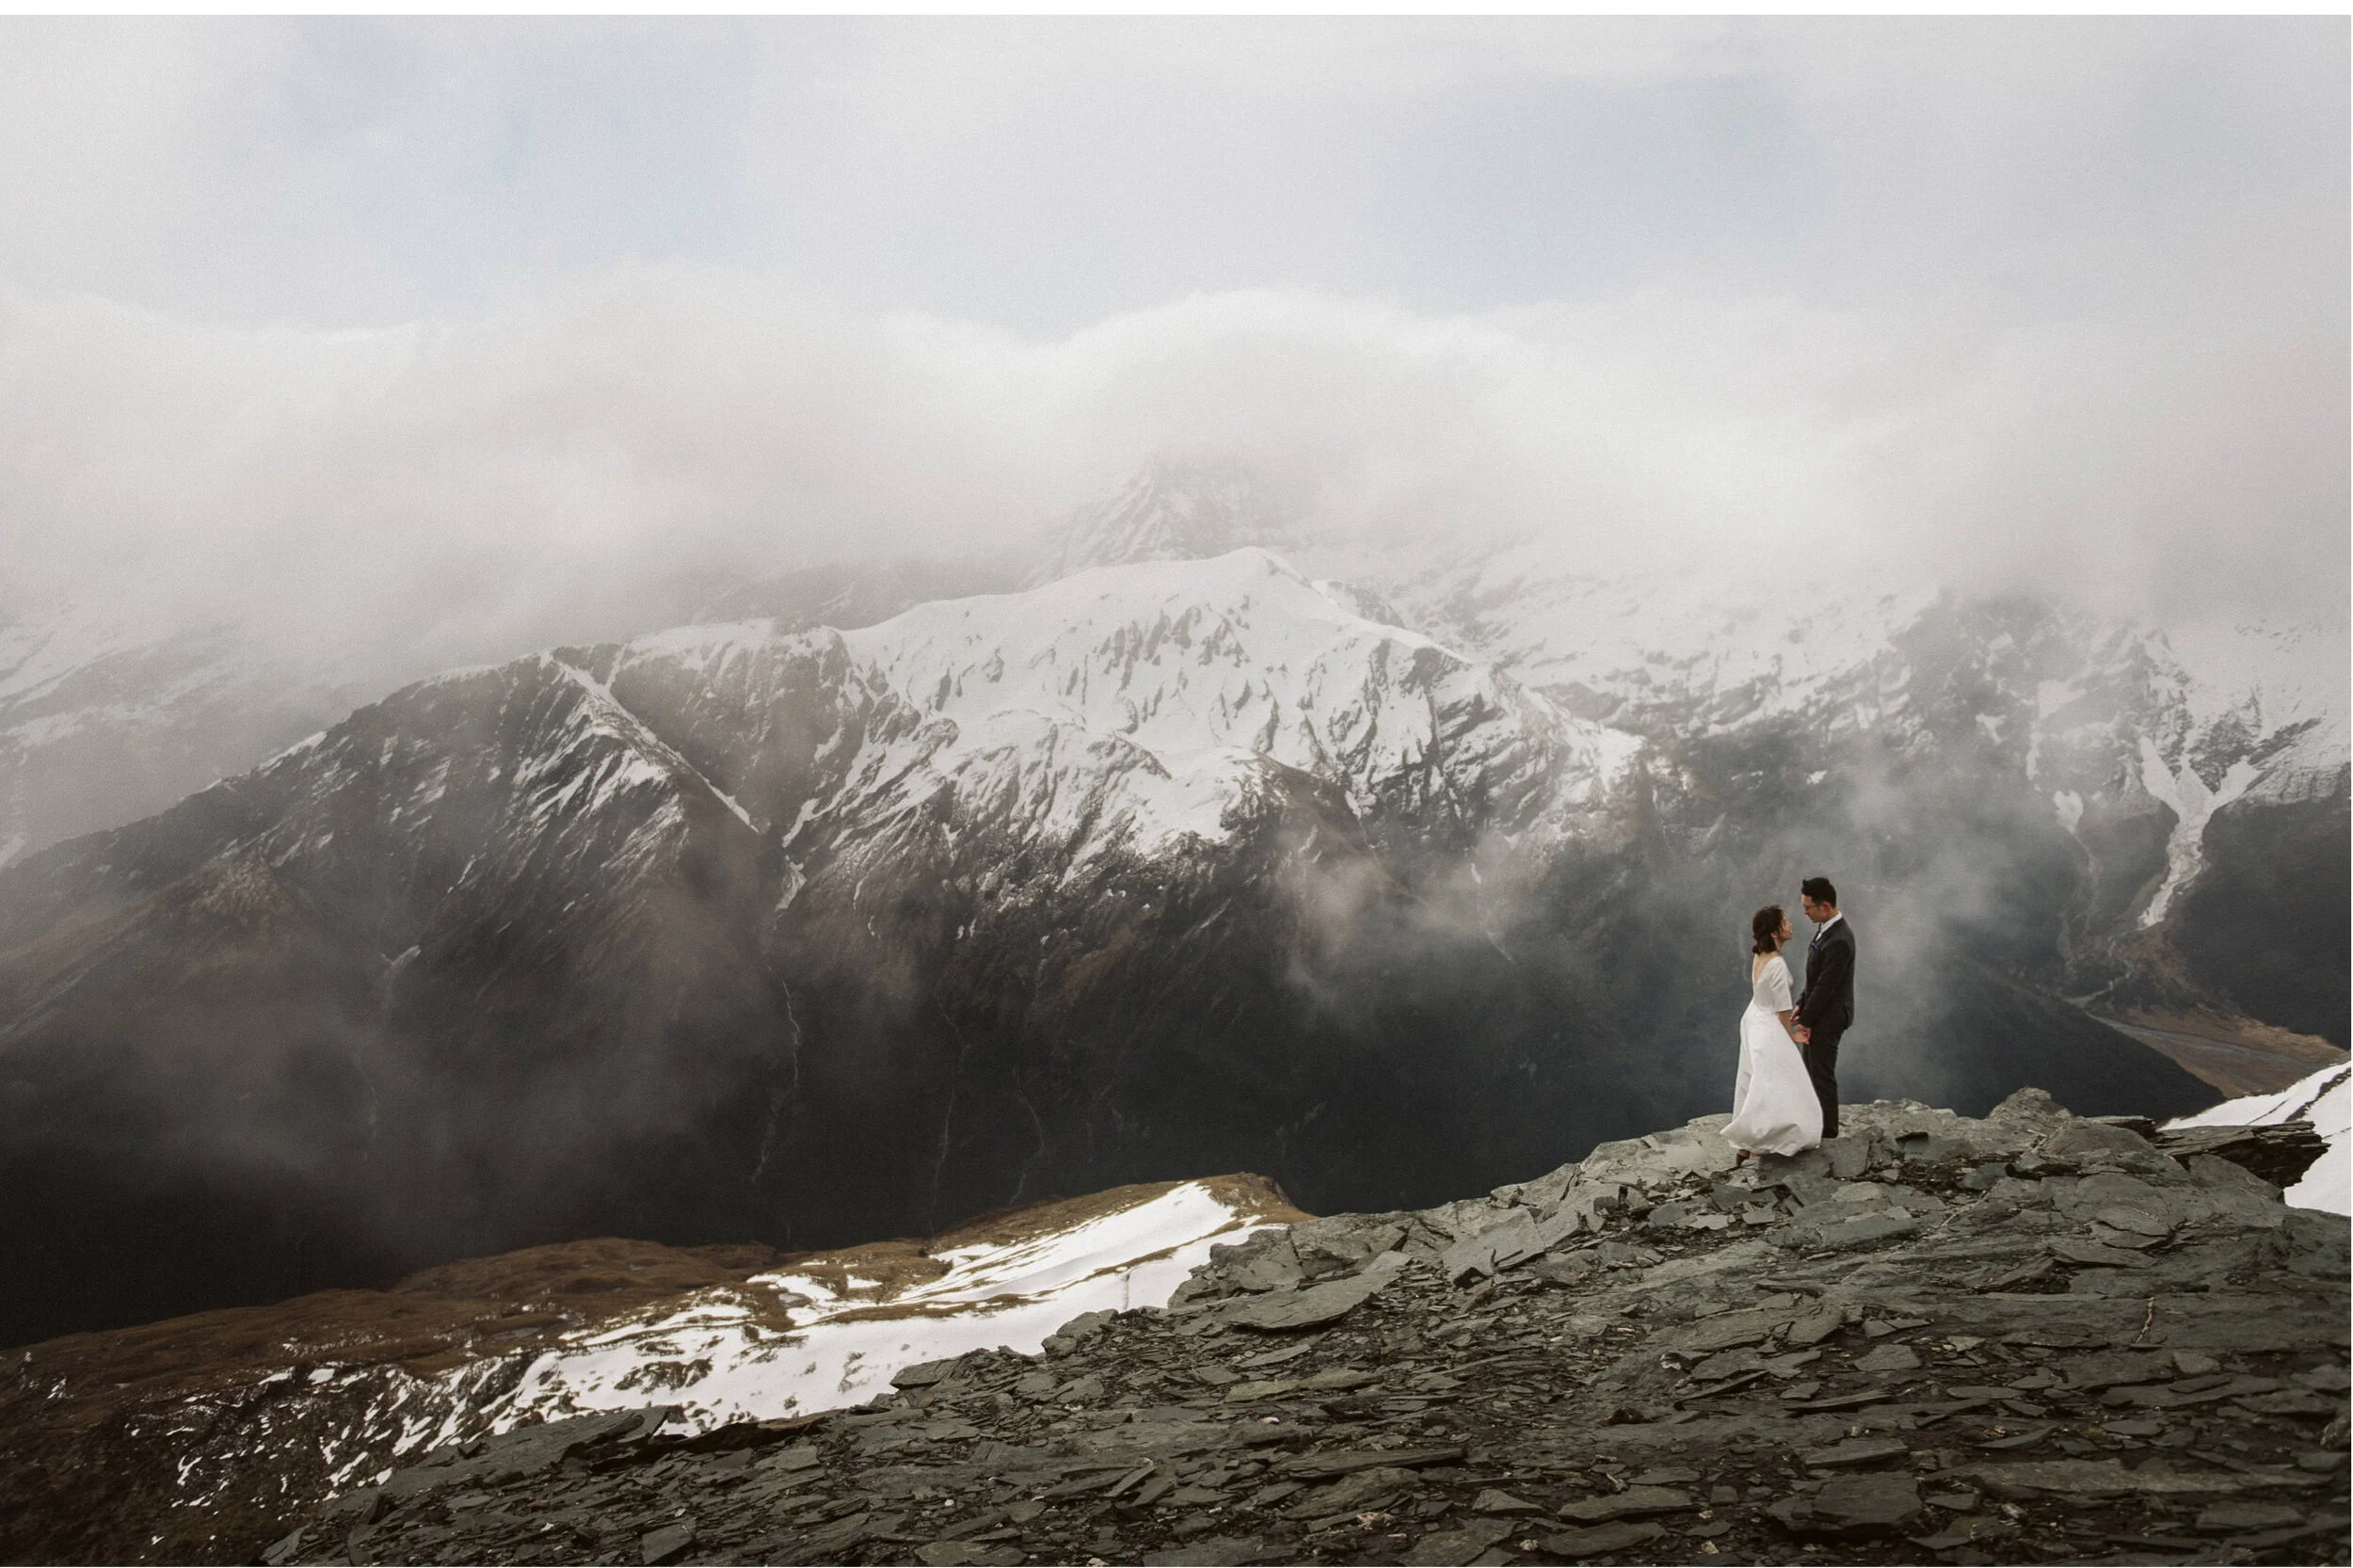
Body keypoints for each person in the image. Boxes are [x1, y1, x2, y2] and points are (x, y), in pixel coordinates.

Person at [1722, 904, 1822, 1158]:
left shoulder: (1760, 956)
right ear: (1776, 933)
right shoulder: (1776, 963)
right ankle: (1762, 1140)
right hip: (1769, 1026)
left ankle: (1748, 1141)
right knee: (1778, 1081)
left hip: (1754, 1018)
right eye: (1784, 922)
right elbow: (1781, 1009)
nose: (1790, 925)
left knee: (1757, 1079)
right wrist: (1793, 1036)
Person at [1790, 875, 1856, 1140]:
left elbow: (1826, 986)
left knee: (1821, 1073)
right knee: (1812, 1069)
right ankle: (1815, 1121)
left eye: (1808, 907)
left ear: (1825, 906)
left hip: (1830, 1016)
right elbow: (1816, 978)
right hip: (1821, 1012)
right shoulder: (1827, 929)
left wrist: (1805, 1020)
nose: (1804, 912)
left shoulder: (1839, 939)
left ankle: (1827, 1131)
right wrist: (1801, 1004)